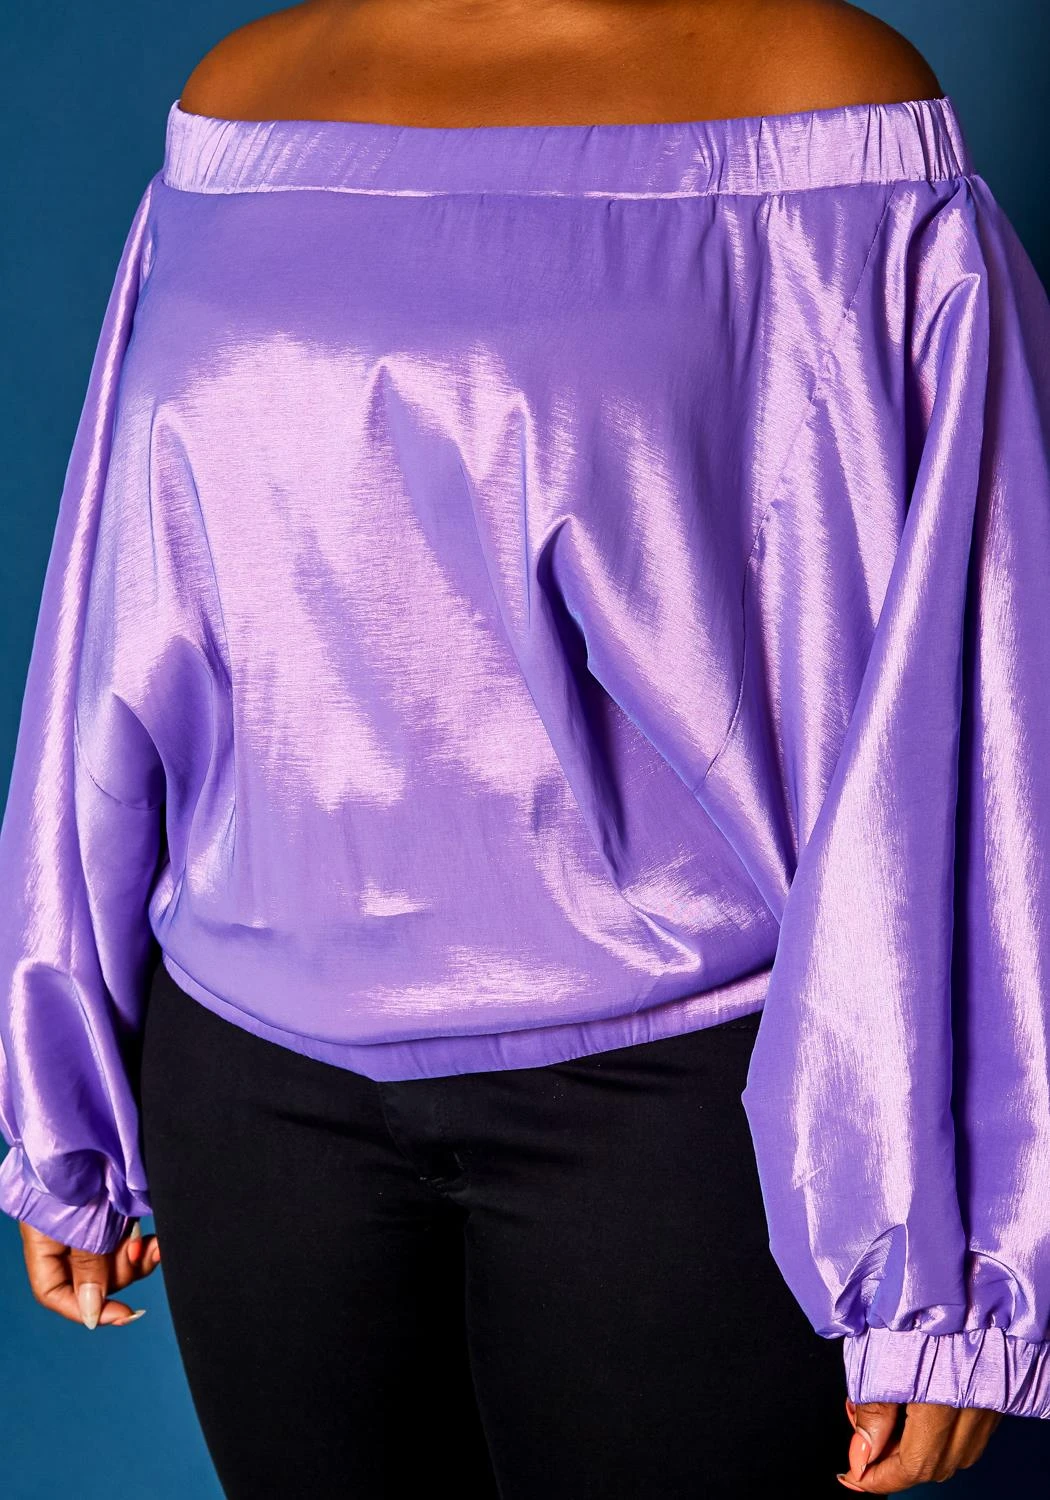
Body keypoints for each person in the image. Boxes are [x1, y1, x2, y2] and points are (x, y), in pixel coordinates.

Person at [2, 0, 1048, 1494]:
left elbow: (976, 667)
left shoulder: (827, 111)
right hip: (252, 1092)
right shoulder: (238, 112)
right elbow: (120, 605)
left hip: (678, 1104)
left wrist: (960, 1258)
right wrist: (64, 1096)